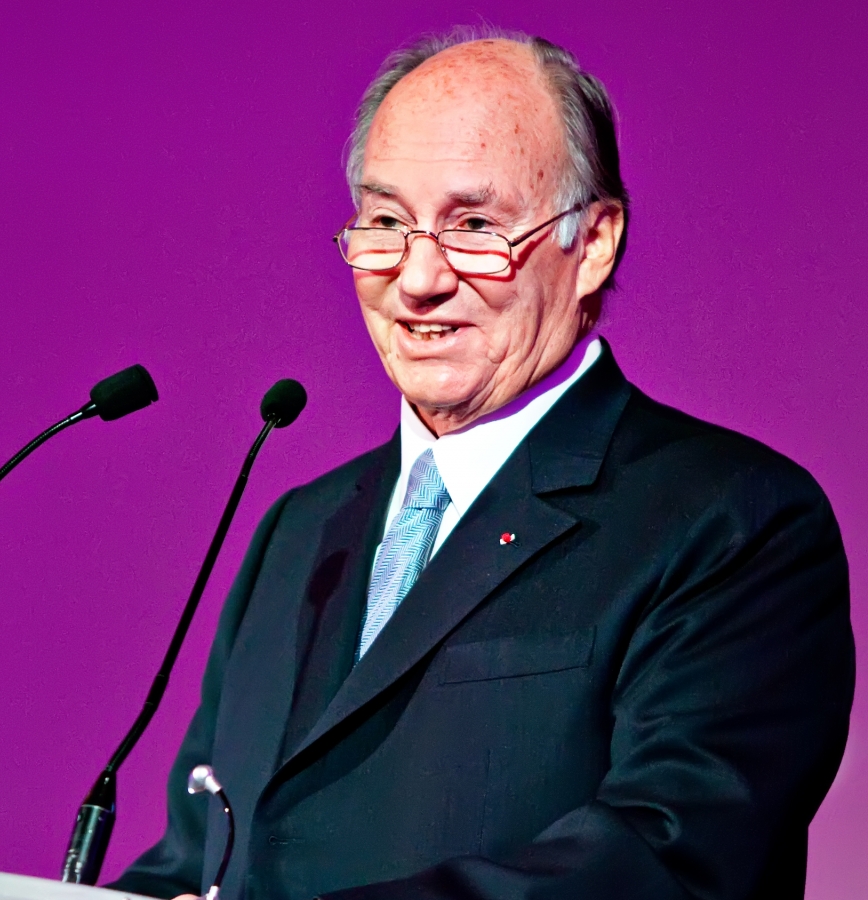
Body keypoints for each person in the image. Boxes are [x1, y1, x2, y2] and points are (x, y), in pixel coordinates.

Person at [109, 29, 854, 900]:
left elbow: (664, 860)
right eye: (386, 222)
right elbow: (201, 863)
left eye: (474, 227)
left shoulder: (731, 519)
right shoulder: (301, 529)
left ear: (596, 240)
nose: (418, 278)